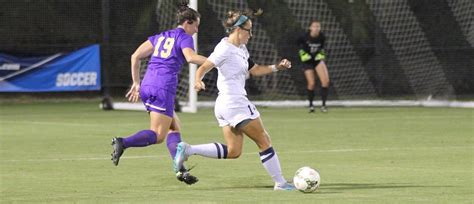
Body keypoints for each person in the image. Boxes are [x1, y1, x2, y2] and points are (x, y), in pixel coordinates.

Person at [174, 9, 296, 191]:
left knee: (234, 151)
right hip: (235, 103)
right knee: (264, 141)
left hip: (225, 105)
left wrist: (277, 67)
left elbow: (255, 70)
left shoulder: (242, 49)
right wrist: (198, 79)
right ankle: (280, 183)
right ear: (238, 30)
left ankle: (188, 150)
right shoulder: (224, 48)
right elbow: (205, 66)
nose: (251, 34)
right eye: (249, 30)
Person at [110, 2, 207, 185]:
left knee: (174, 127)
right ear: (188, 22)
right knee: (158, 135)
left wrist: (136, 83)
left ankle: (180, 170)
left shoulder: (161, 36)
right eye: (196, 26)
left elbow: (135, 56)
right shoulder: (184, 37)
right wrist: (215, 62)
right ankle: (123, 142)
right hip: (163, 87)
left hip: (148, 84)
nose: (196, 30)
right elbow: (191, 58)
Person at [297, 20, 330, 113]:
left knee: (326, 81)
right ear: (310, 28)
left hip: (317, 60)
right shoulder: (304, 37)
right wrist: (302, 54)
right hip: (307, 61)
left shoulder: (322, 37)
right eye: (314, 26)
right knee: (311, 83)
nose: (316, 28)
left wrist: (320, 55)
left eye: (318, 26)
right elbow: (298, 45)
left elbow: (322, 48)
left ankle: (323, 106)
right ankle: (311, 106)